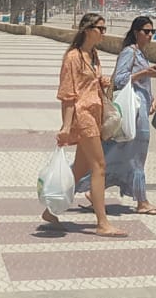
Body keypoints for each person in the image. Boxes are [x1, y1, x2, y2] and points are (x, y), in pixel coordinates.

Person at [44, 14, 126, 237]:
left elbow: (88, 85)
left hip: (95, 114)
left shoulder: (93, 55)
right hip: (83, 117)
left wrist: (101, 82)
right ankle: (102, 222)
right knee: (99, 166)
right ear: (87, 30)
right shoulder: (73, 57)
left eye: (104, 28)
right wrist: (66, 126)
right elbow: (68, 94)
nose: (104, 32)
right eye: (100, 28)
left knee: (81, 169)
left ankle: (50, 211)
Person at [106, 17, 156, 216]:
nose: (149, 35)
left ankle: (94, 187)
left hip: (141, 108)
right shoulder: (129, 52)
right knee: (137, 155)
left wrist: (151, 97)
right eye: (145, 31)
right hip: (134, 111)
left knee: (124, 152)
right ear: (135, 32)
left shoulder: (140, 53)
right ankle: (142, 201)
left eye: (152, 32)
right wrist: (145, 73)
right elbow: (120, 79)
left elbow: (140, 84)